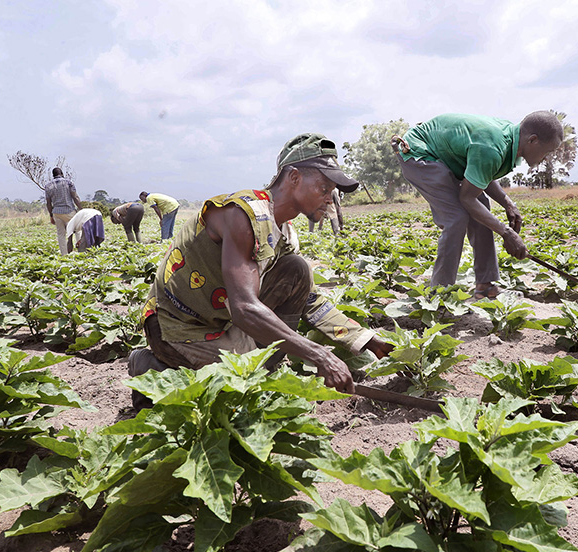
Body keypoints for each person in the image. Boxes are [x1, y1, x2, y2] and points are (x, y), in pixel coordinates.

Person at [129, 132, 393, 405]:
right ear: (294, 178)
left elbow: (310, 300)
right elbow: (244, 310)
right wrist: (319, 355)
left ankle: (262, 367)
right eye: (324, 188)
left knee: (296, 269)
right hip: (177, 327)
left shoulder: (283, 231)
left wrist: (366, 340)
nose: (329, 199)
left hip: (219, 319)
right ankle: (151, 367)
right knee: (234, 395)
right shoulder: (243, 215)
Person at [393, 112, 563, 299]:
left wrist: (508, 204)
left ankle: (485, 286)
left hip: (442, 157)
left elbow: (483, 172)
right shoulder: (493, 146)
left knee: (481, 207)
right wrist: (507, 234)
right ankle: (439, 296)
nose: (546, 158)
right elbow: (467, 197)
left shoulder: (509, 138)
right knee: (455, 218)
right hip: (420, 153)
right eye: (547, 151)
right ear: (533, 140)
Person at [44, 168, 82, 256]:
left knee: (61, 234)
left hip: (56, 212)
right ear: (62, 173)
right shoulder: (69, 183)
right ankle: (81, 251)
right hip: (69, 211)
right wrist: (81, 209)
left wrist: (51, 215)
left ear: (53, 175)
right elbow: (75, 198)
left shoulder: (48, 186)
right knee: (78, 229)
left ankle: (64, 255)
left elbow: (48, 203)